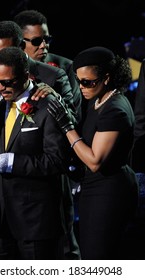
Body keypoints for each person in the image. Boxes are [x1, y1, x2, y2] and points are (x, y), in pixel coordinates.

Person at [0, 20, 81, 259]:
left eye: (7, 82)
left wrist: (13, 161)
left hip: (36, 215)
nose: (0, 87)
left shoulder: (49, 86)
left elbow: (63, 141)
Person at [47, 46, 139, 259]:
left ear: (106, 78)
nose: (82, 87)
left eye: (88, 82)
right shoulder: (98, 101)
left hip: (110, 192)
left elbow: (95, 160)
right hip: (95, 189)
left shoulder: (115, 108)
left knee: (99, 257)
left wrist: (67, 127)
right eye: (79, 81)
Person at [13, 9, 83, 121]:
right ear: (19, 43)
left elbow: (75, 115)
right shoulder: (6, 69)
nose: (43, 45)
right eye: (36, 41)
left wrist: (56, 98)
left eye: (47, 39)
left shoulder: (67, 67)